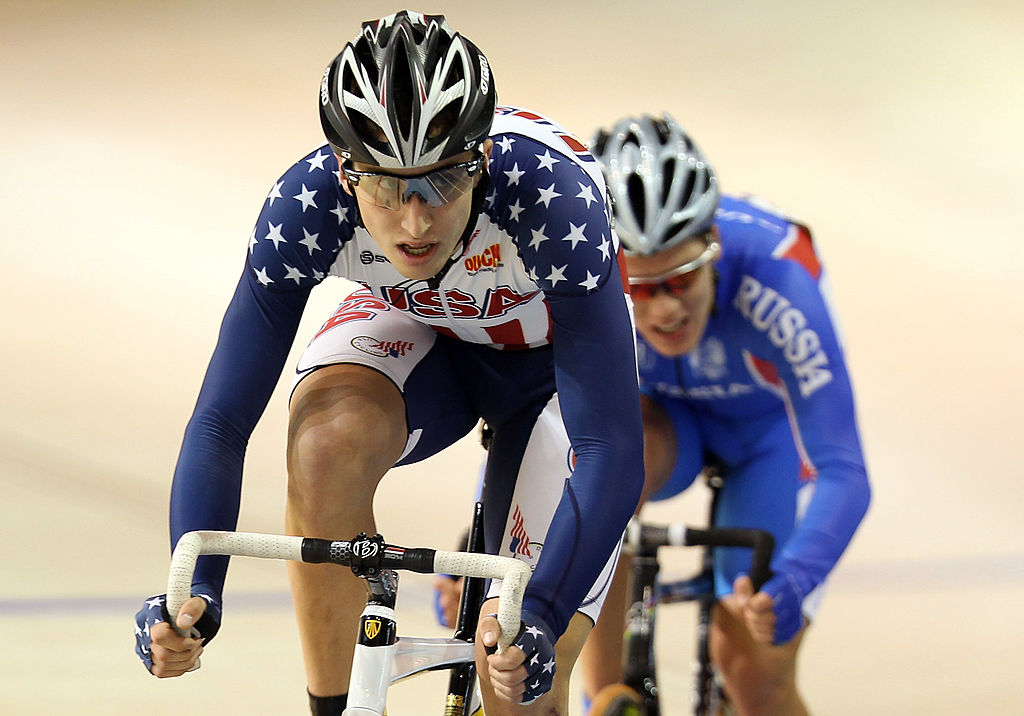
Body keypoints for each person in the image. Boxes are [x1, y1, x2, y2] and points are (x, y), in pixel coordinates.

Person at [132, 11, 645, 716]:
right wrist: (194, 593)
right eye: (384, 186)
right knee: (322, 449)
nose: (414, 221)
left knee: (520, 687)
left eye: (442, 183)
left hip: (550, 369)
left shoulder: (553, 206)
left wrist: (544, 618)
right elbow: (222, 421)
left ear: (482, 161)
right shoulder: (305, 206)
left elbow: (610, 447)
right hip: (422, 326)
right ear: (345, 173)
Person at [578, 114, 872, 715]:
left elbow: (844, 470)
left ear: (712, 244)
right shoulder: (580, 278)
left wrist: (793, 580)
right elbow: (542, 435)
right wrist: (486, 560)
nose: (663, 310)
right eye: (640, 287)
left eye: (682, 279)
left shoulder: (779, 279)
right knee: (603, 469)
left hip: (769, 441)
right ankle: (607, 700)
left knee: (753, 672)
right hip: (662, 427)